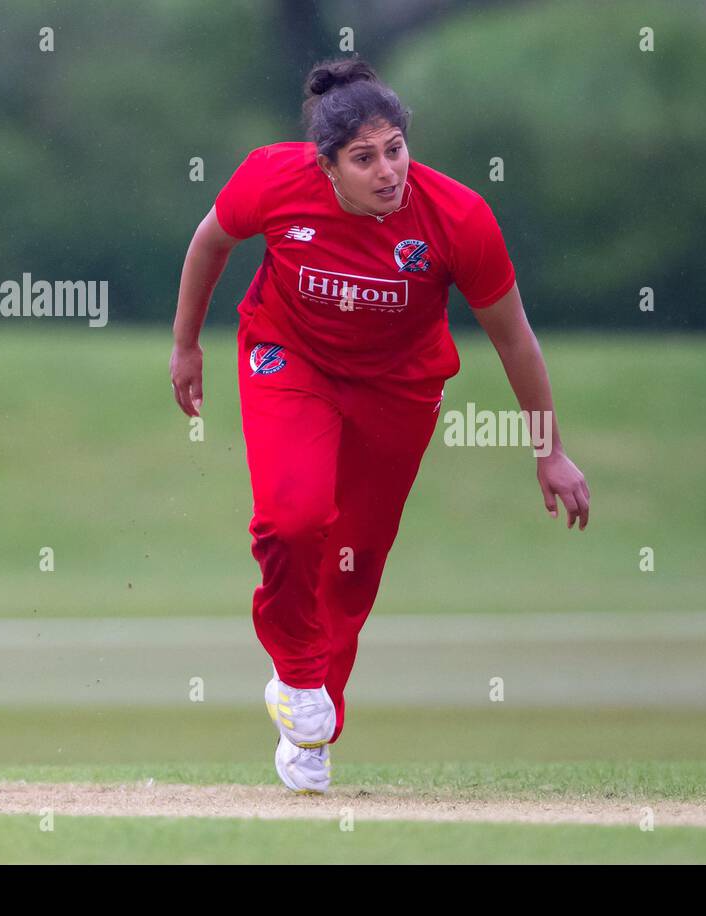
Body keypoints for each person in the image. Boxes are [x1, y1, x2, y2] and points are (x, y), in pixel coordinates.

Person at [168, 57, 590, 793]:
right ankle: (300, 682)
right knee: (293, 519)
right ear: (325, 165)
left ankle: (314, 725)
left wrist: (548, 450)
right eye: (364, 159)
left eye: (395, 148)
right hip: (287, 357)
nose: (388, 170)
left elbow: (515, 336)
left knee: (351, 566)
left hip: (400, 391)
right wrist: (184, 344)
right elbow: (210, 242)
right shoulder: (274, 179)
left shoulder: (457, 218)